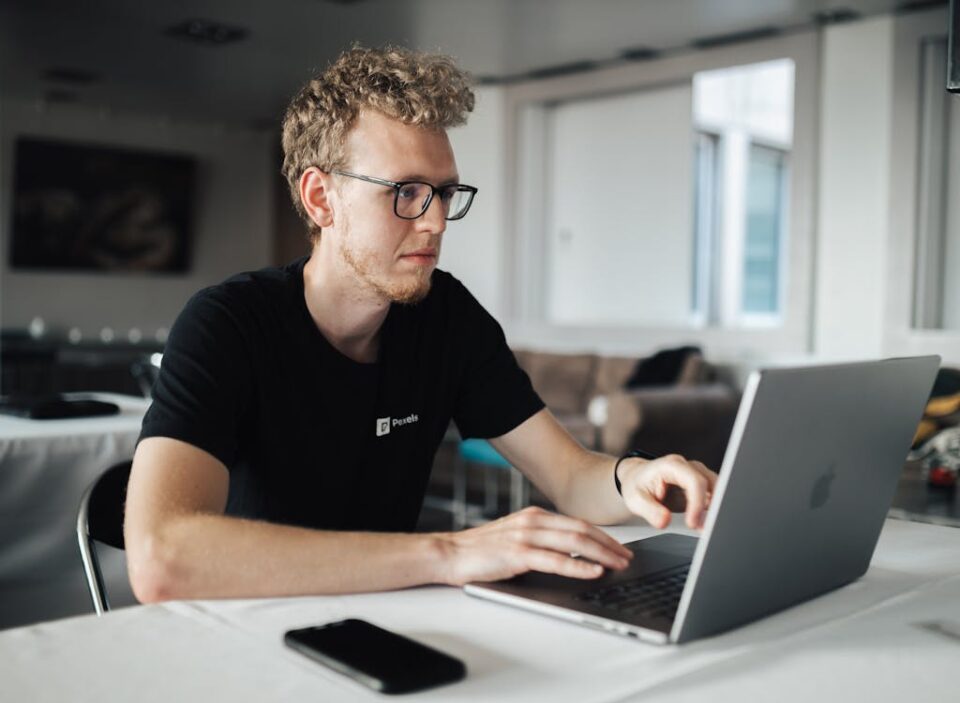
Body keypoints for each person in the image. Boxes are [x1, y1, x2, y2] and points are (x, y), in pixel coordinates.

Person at [125, 46, 718, 603]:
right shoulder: (227, 325)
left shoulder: (445, 316)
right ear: (320, 199)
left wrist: (635, 475)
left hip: (390, 621)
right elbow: (161, 558)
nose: (435, 222)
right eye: (406, 192)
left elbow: (569, 476)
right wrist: (448, 552)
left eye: (445, 192)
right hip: (248, 628)